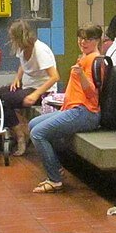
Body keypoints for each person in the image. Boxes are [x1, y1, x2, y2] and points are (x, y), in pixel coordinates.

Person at [29, 23, 103, 193]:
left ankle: (54, 178)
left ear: (97, 40)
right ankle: (56, 165)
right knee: (34, 124)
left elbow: (92, 92)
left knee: (38, 133)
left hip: (84, 111)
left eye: (89, 39)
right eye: (81, 38)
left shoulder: (94, 60)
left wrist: (81, 75)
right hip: (72, 108)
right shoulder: (85, 57)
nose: (83, 42)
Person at [0, 20, 60, 156]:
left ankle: (20, 135)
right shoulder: (22, 48)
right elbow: (22, 65)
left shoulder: (40, 51)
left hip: (43, 91)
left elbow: (54, 77)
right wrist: (16, 79)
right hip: (27, 87)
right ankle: (18, 130)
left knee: (5, 100)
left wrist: (35, 95)